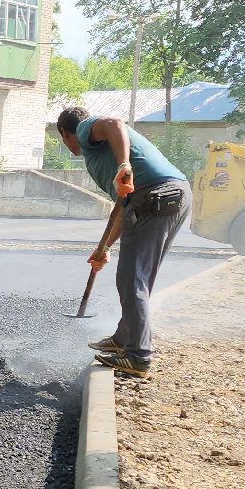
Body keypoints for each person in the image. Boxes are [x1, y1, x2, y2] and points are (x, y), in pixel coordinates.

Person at [56, 106, 190, 380]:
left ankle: (138, 356)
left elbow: (114, 122)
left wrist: (124, 165)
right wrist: (104, 247)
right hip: (173, 194)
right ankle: (124, 338)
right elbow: (123, 207)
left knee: (131, 281)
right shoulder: (101, 153)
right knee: (138, 276)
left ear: (64, 133)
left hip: (155, 195)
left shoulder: (84, 129)